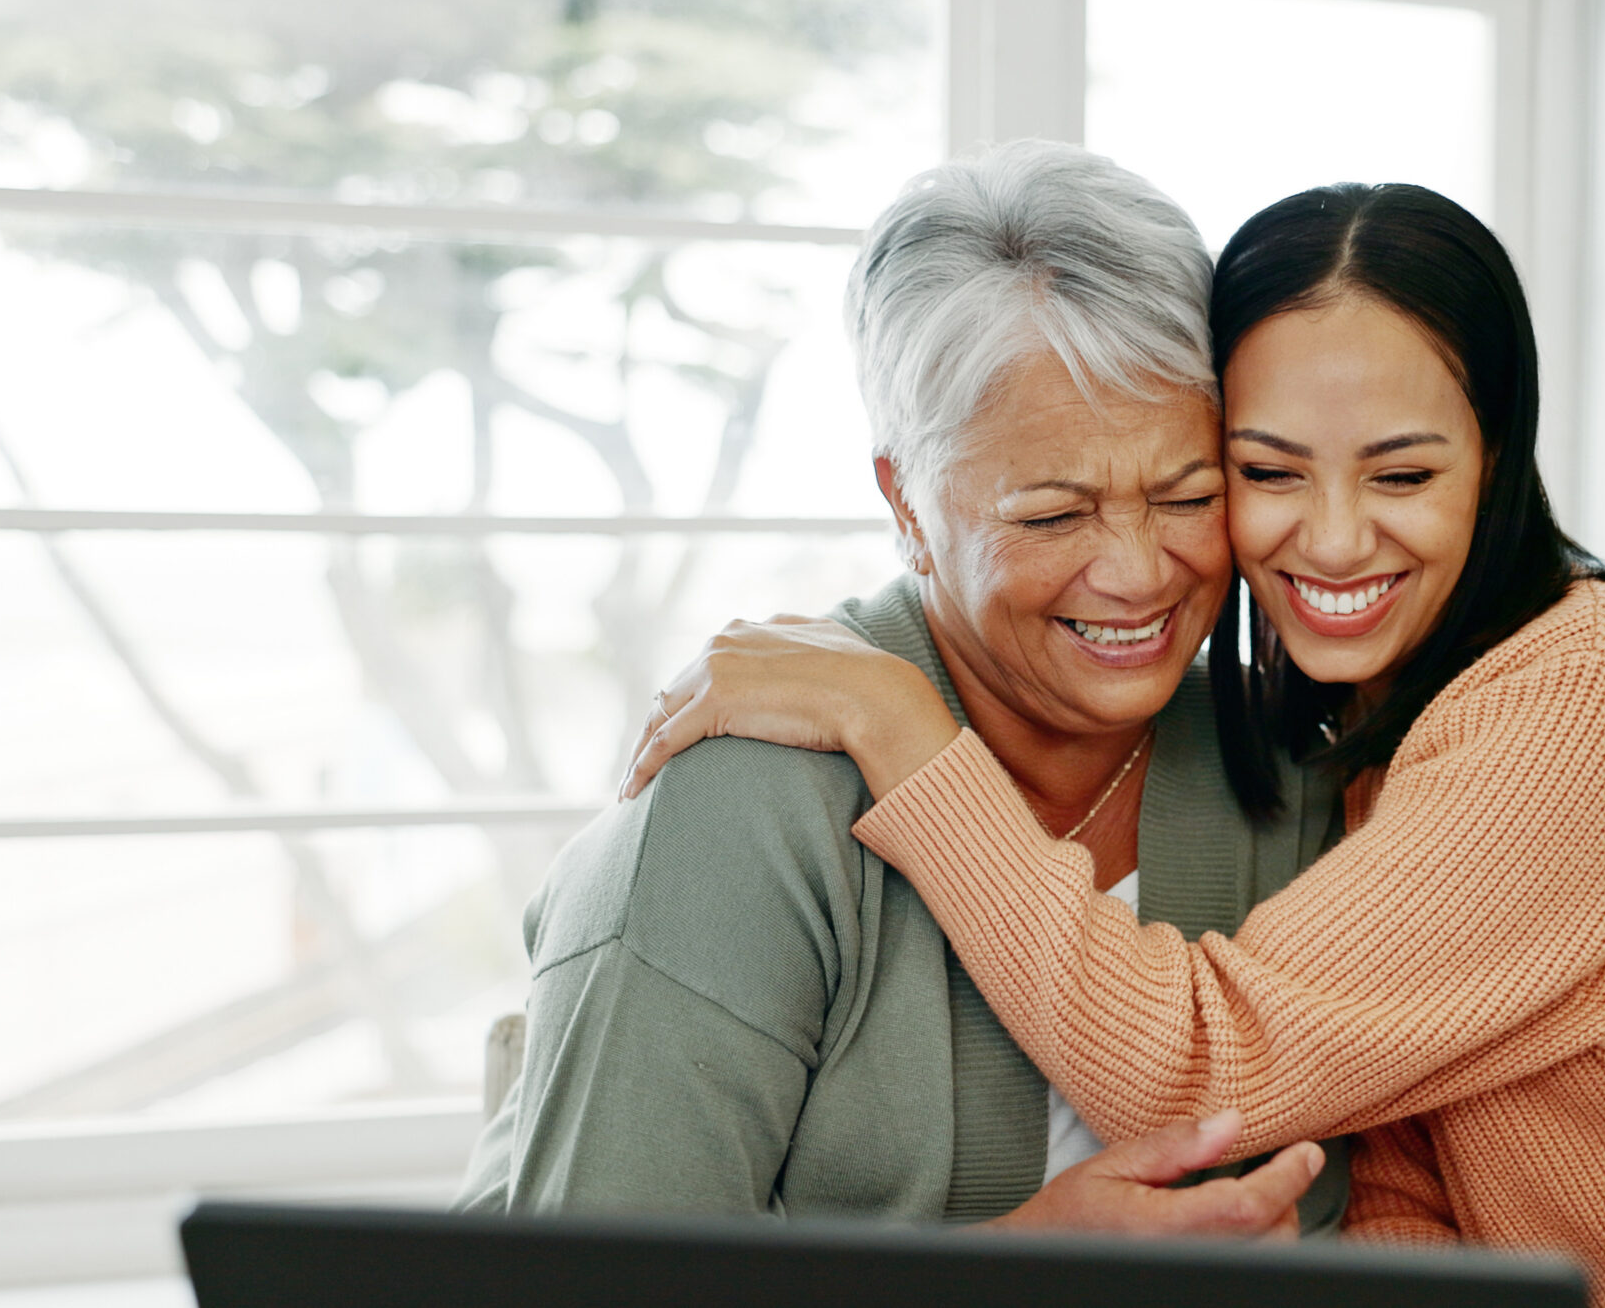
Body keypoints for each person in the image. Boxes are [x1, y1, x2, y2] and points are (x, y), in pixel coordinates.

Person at [629, 184, 1605, 1306]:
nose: (1333, 540)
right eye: (1269, 472)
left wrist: (898, 722)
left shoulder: (1600, 693)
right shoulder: (1365, 718)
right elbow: (1398, 1151)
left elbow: (1198, 1063)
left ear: (1498, 456)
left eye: (1402, 473)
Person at [457, 140, 1345, 1239]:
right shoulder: (738, 809)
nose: (1135, 573)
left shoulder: (1294, 767)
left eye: (1186, 494)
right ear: (908, 502)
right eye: (1051, 515)